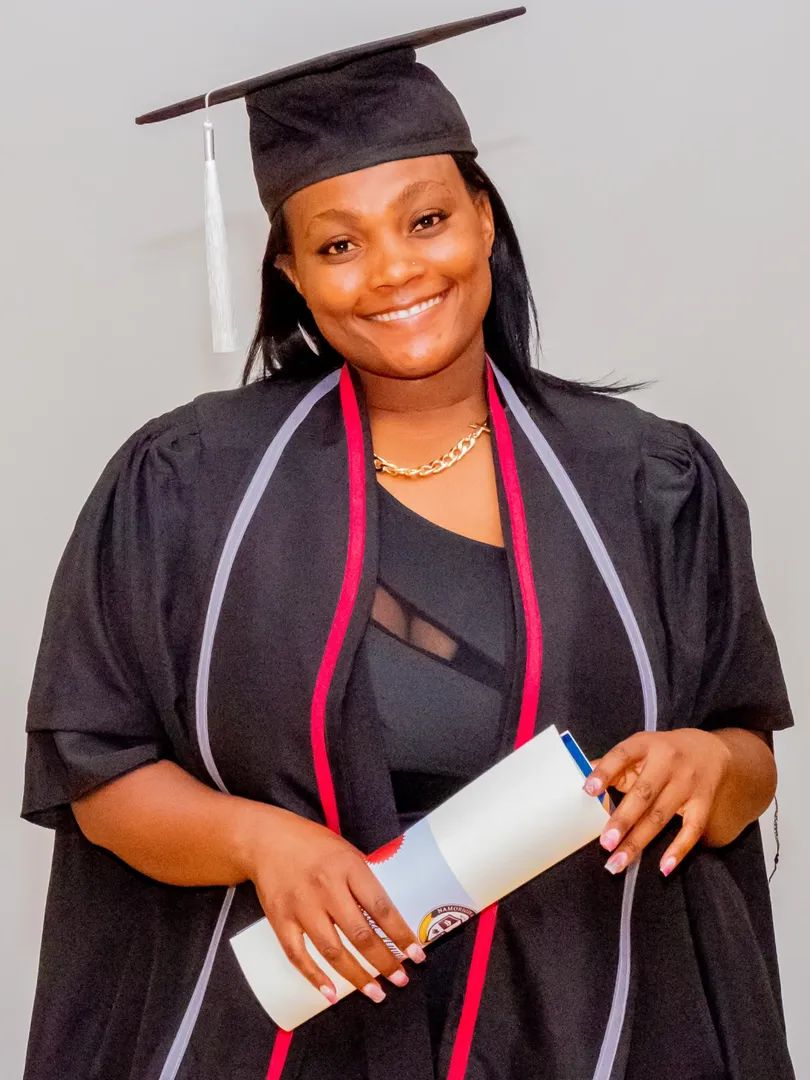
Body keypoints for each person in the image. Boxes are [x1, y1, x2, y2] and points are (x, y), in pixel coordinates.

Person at [21, 9, 795, 1080]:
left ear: (483, 219)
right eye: (339, 244)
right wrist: (261, 841)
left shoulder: (647, 479)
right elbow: (92, 769)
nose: (392, 271)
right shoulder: (189, 484)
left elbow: (747, 747)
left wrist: (710, 764)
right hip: (291, 1029)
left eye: (425, 220)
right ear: (291, 273)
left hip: (579, 1018)